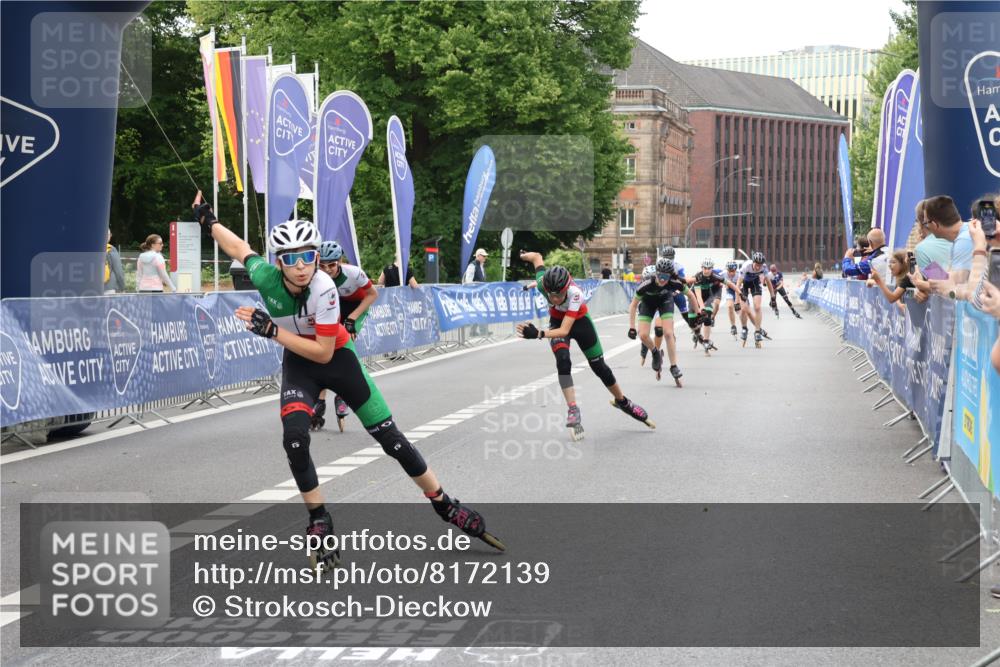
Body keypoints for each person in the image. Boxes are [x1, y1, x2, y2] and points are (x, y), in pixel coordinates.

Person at [190, 191, 502, 567]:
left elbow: (323, 352)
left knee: (393, 441)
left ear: (317, 257)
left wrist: (272, 331)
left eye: (308, 257)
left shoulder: (324, 288)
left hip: (337, 358)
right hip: (300, 365)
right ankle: (318, 517)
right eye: (291, 259)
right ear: (279, 262)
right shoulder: (265, 277)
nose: (302, 266)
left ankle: (444, 504)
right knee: (294, 439)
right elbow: (238, 247)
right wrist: (209, 221)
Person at [516, 250, 653, 440]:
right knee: (563, 361)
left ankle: (623, 402)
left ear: (566, 288)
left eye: (558, 294)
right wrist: (521, 254)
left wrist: (538, 333)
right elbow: (537, 257)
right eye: (551, 295)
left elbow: (565, 331)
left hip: (579, 322)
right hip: (557, 321)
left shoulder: (575, 294)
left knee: (599, 367)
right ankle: (573, 409)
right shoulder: (542, 284)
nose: (554, 299)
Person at [312, 241, 380, 431]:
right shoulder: (314, 277)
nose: (327, 270)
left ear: (339, 261)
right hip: (333, 306)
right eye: (322, 266)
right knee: (323, 351)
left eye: (332, 265)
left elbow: (372, 295)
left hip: (355, 308)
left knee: (343, 349)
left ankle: (342, 394)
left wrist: (352, 319)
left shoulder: (354, 273)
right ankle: (320, 400)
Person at [628, 257, 701, 383]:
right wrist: (632, 327)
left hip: (665, 301)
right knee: (643, 335)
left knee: (668, 332)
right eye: (660, 276)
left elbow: (691, 295)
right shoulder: (646, 285)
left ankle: (674, 366)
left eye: (666, 277)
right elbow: (633, 305)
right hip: (647, 304)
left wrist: (698, 312)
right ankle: (655, 353)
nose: (662, 279)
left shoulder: (674, 282)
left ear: (670, 276)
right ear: (656, 273)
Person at [688, 258, 735, 352]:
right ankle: (697, 331)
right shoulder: (698, 276)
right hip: (695, 297)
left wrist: (739, 292)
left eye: (709, 268)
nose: (707, 270)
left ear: (712, 269)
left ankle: (706, 339)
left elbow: (729, 283)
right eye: (704, 268)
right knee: (693, 322)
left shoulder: (717, 274)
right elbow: (696, 294)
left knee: (708, 315)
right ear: (702, 268)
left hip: (710, 292)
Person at [736, 251, 776, 347]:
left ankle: (757, 331)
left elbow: (769, 283)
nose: (758, 267)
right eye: (757, 264)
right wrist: (736, 301)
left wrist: (773, 297)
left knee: (757, 307)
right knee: (744, 309)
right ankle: (744, 328)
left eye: (760, 265)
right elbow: (737, 284)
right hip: (744, 285)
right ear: (753, 262)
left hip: (755, 284)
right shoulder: (746, 266)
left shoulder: (764, 267)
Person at [463, 248, 489, 337]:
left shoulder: (481, 266)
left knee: (479, 312)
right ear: (478, 256)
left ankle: (474, 331)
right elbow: (468, 281)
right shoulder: (472, 265)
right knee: (480, 312)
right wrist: (475, 289)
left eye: (485, 256)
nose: (485, 257)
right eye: (483, 256)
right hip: (474, 294)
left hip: (480, 293)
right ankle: (483, 332)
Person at [722, 260, 744, 338]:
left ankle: (744, 327)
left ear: (736, 270)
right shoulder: (723, 273)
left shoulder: (739, 274)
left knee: (739, 310)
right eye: (729, 271)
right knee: (730, 306)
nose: (731, 273)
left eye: (733, 271)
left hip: (739, 291)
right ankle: (733, 326)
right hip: (730, 291)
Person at [104, 228, 126, 294]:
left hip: (93, 287)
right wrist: (122, 287)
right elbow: (118, 270)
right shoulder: (110, 249)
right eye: (109, 234)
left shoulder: (92, 248)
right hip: (109, 287)